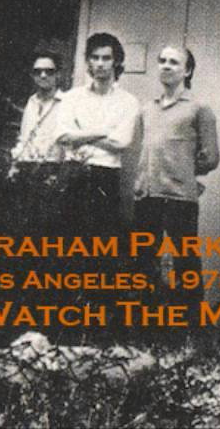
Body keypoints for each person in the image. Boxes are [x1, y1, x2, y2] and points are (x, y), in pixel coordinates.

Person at [54, 32, 140, 334]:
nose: (100, 64)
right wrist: (103, 131)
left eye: (106, 58)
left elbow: (122, 142)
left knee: (102, 249)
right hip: (74, 174)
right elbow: (62, 135)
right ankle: (66, 325)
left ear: (116, 62)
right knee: (69, 246)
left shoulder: (128, 101)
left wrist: (83, 135)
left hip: (105, 176)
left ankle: (97, 327)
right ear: (88, 62)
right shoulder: (71, 97)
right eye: (95, 58)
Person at [133, 45, 220, 337]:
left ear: (187, 70)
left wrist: (183, 173)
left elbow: (211, 157)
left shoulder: (199, 108)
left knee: (185, 263)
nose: (166, 66)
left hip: (179, 198)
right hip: (147, 196)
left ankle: (192, 333)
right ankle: (147, 331)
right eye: (162, 61)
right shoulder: (147, 108)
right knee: (145, 262)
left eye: (174, 62)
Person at [7, 50, 65, 236]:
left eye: (49, 71)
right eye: (38, 71)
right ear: (32, 75)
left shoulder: (67, 104)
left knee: (49, 232)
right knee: (23, 230)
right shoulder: (30, 102)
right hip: (27, 170)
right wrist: (15, 164)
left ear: (58, 74)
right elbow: (24, 137)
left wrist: (60, 174)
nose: (43, 75)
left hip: (53, 172)